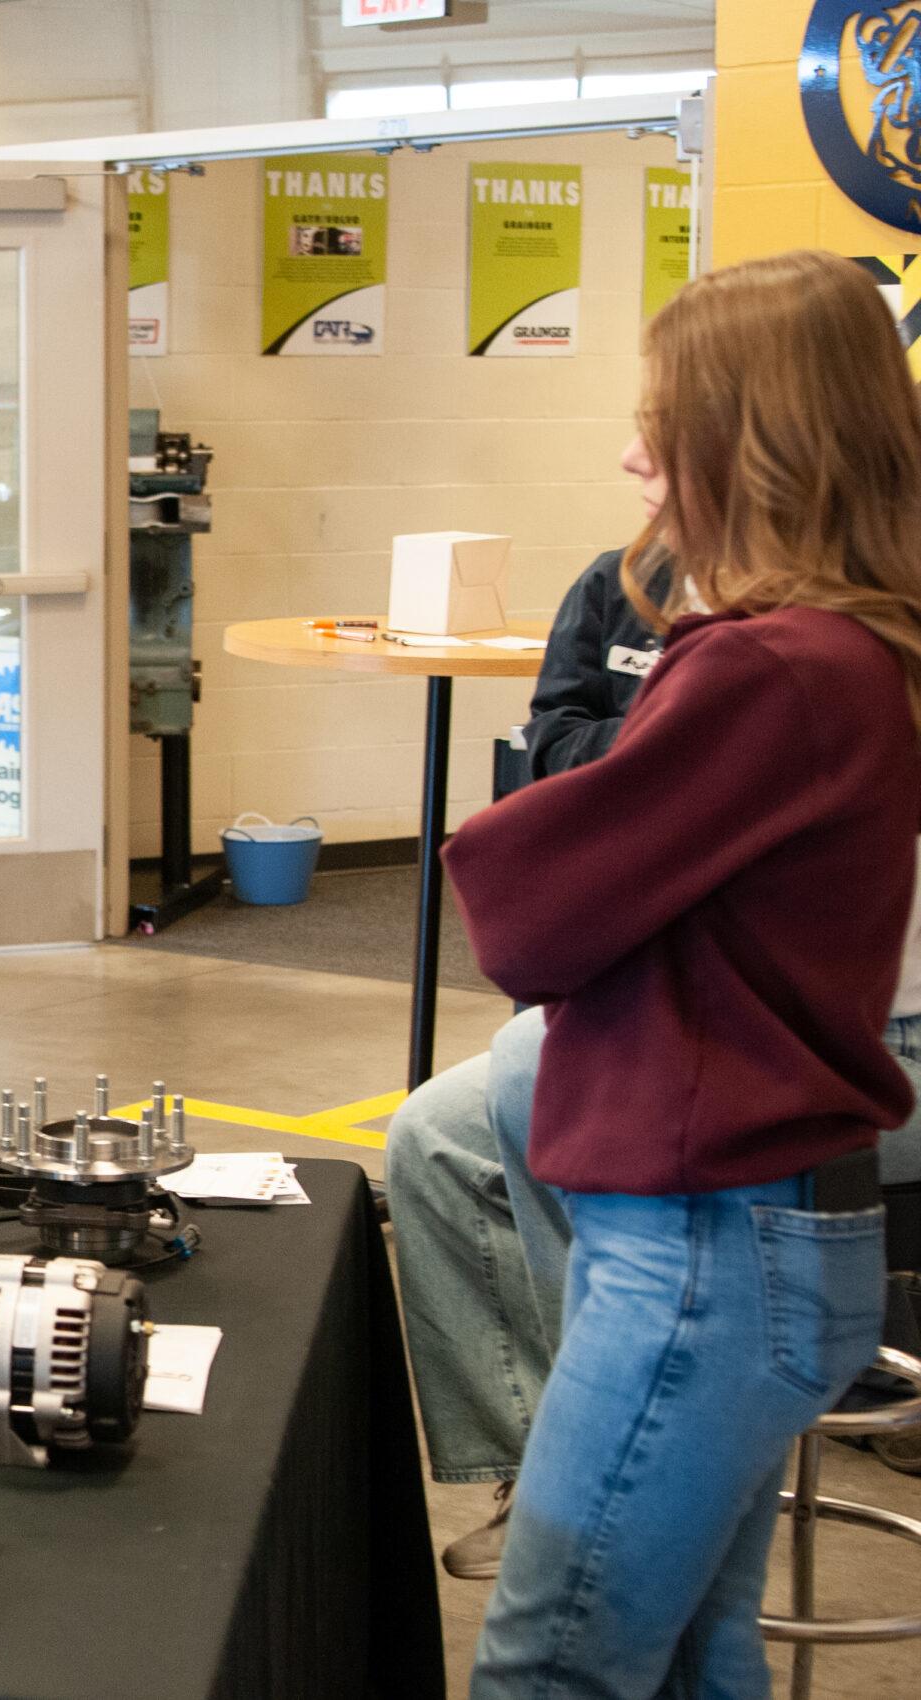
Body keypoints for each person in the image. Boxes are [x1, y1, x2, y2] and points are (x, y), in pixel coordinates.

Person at [444, 248, 921, 1696]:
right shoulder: (850, 653)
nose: (634, 459)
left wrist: (547, 826)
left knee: (553, 1662)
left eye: (661, 422)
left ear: (748, 435)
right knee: (696, 1659)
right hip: (756, 1231)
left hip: (704, 1246)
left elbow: (524, 909)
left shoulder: (767, 668)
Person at [386, 542, 921, 1582]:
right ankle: (547, 1456)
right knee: (437, 1132)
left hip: (862, 1047)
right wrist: (659, 757)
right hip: (747, 1010)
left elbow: (533, 896)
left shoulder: (809, 654)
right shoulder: (639, 588)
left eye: (666, 448)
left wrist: (653, 763)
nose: (638, 465)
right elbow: (554, 762)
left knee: (532, 1067)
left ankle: (614, 1456)